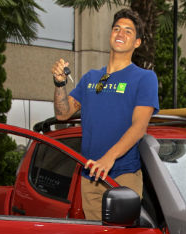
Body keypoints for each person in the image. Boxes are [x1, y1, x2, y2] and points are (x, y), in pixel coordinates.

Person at [51, 8, 159, 221]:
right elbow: (63, 114)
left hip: (123, 175)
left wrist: (108, 159)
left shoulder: (144, 78)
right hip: (90, 176)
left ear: (137, 42)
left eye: (128, 31)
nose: (121, 34)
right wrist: (59, 83)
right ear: (110, 33)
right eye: (117, 28)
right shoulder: (91, 77)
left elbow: (139, 128)